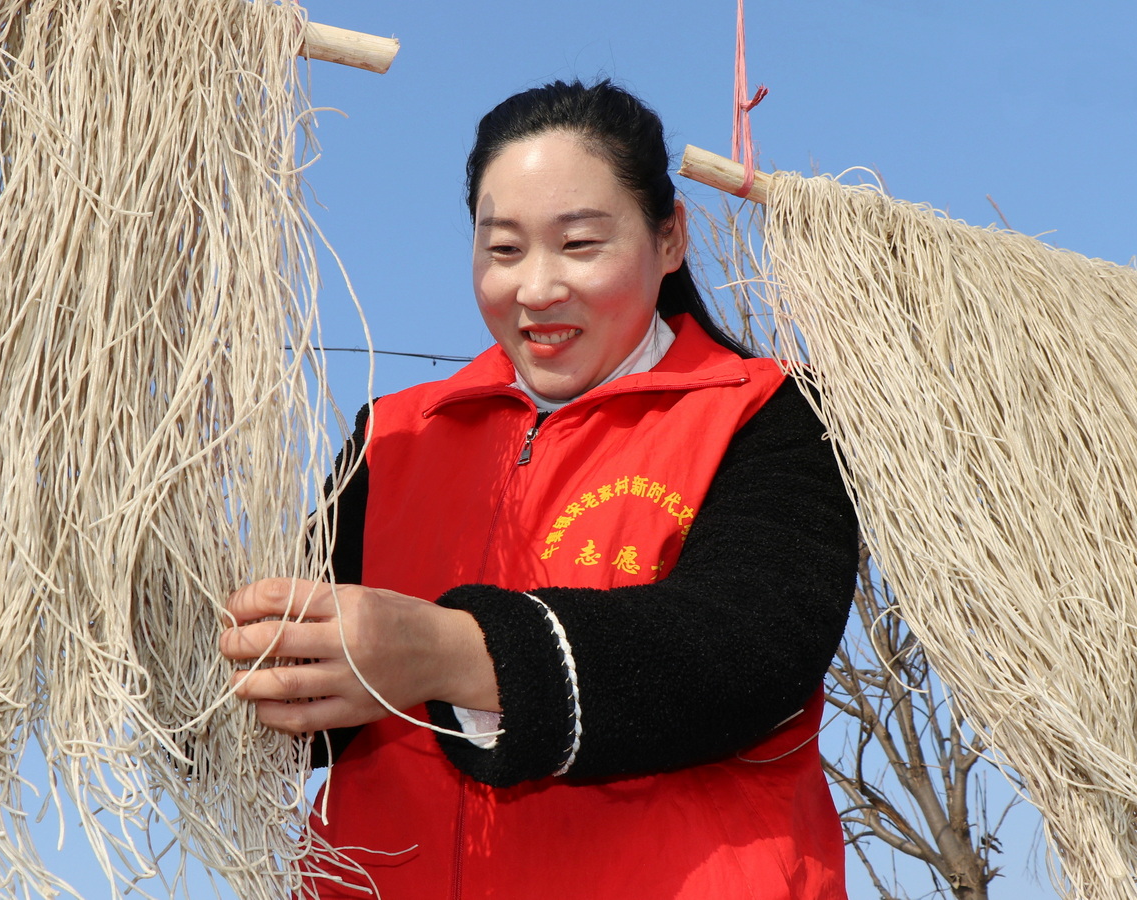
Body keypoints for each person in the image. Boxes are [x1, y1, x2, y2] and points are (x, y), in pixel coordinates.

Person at [219, 79, 859, 899]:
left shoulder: (768, 411)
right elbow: (290, 694)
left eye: (581, 244)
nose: (537, 288)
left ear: (670, 239)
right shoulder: (395, 436)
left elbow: (745, 654)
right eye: (505, 249)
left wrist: (436, 652)